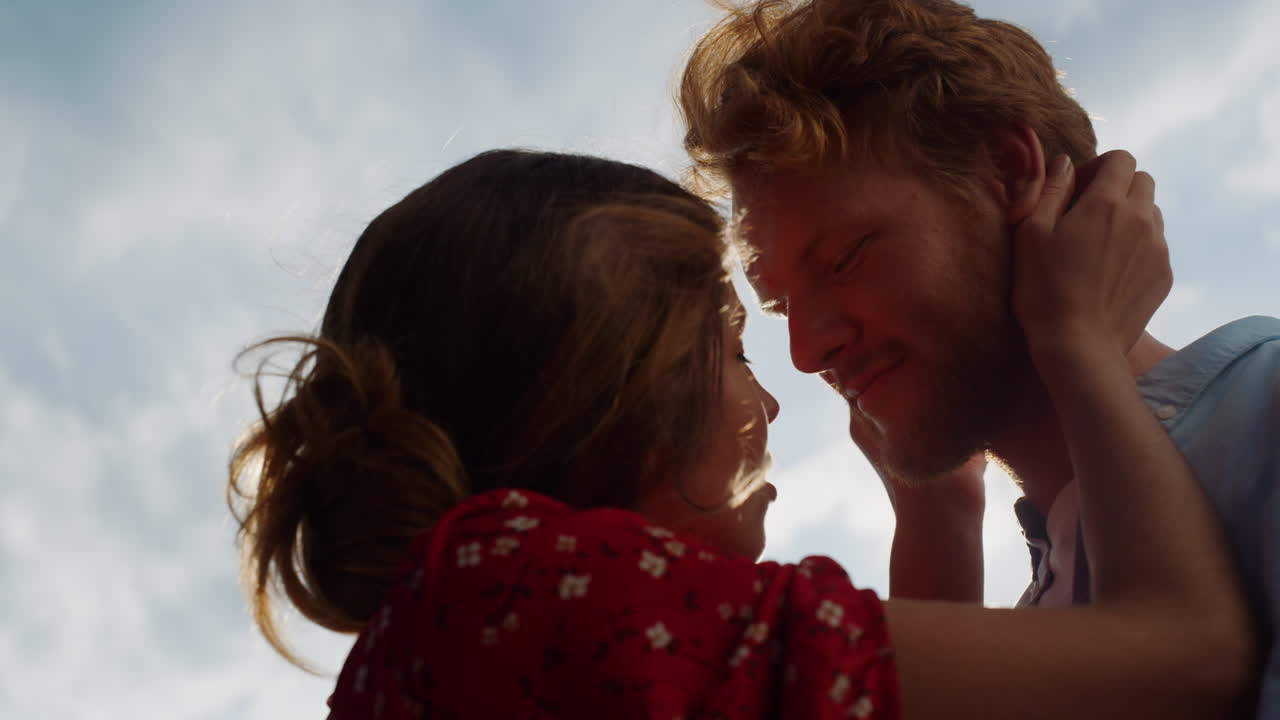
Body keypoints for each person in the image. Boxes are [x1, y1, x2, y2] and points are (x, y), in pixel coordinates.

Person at [228, 148, 1254, 719]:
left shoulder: (469, 633)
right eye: (733, 346)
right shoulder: (539, 598)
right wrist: (1073, 340)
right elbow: (1188, 654)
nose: (780, 387)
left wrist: (935, 513)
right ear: (616, 384)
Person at [678, 0, 1280, 713]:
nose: (807, 353)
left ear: (1007, 169)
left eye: (847, 258)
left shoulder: (1266, 412)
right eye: (778, 308)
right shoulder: (1045, 630)